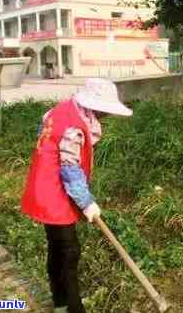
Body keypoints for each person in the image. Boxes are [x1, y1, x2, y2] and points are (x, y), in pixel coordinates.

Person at [21, 78, 132, 313]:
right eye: (106, 112)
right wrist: (87, 203)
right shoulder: (74, 128)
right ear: (96, 107)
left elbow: (44, 133)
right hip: (54, 192)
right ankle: (73, 307)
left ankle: (60, 303)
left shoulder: (60, 110)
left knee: (57, 248)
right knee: (69, 252)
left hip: (42, 185)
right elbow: (70, 171)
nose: (107, 117)